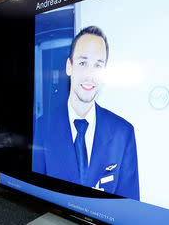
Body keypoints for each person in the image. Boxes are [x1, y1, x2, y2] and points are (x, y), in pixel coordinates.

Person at [32, 26, 139, 200]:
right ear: (69, 67)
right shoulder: (43, 126)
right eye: (83, 63)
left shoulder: (123, 132)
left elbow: (130, 209)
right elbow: (33, 198)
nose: (90, 75)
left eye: (98, 65)